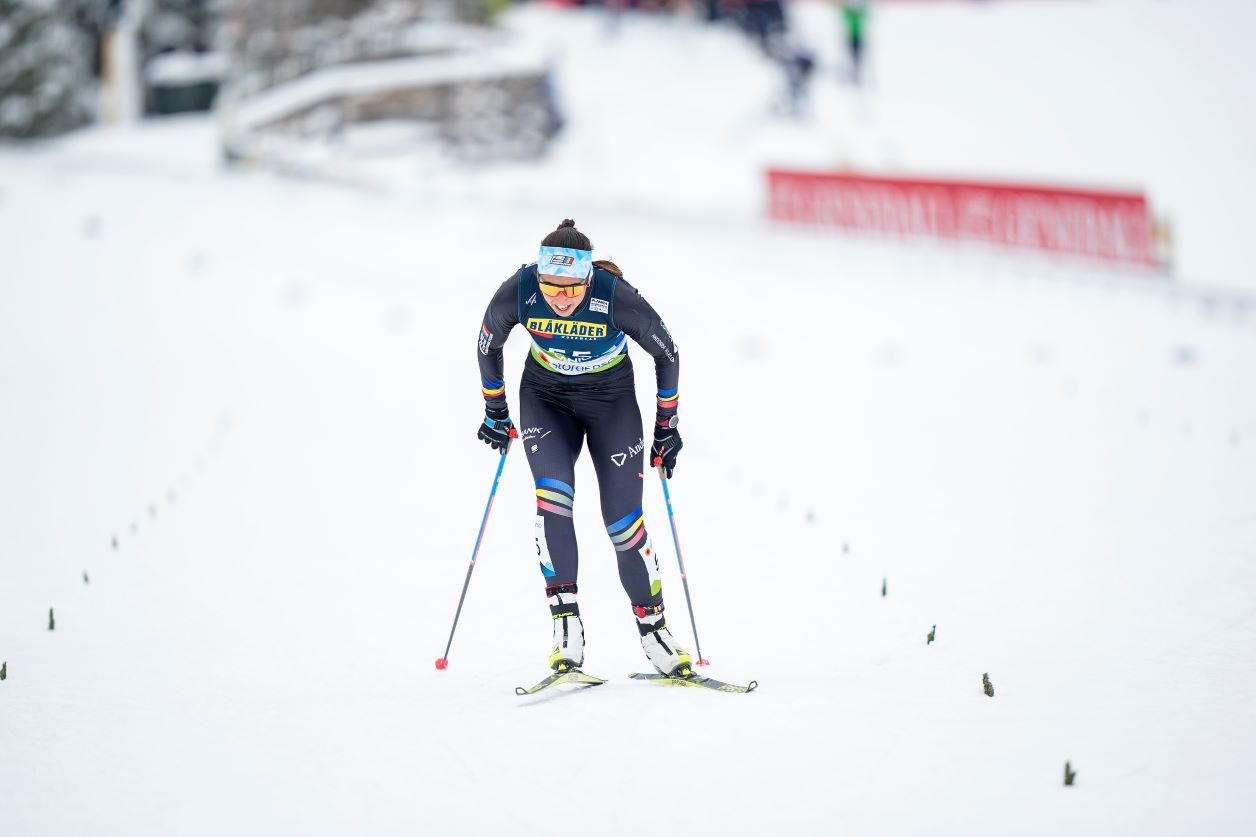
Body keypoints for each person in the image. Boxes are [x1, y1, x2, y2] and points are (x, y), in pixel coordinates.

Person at [475, 220, 691, 676]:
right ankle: (566, 629)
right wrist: (496, 410)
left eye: (571, 288)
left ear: (588, 278)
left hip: (610, 403)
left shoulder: (613, 294)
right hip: (545, 399)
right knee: (553, 502)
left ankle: (654, 631)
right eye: (552, 287)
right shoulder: (520, 288)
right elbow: (487, 341)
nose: (560, 298)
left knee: (623, 522)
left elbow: (667, 354)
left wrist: (666, 426)